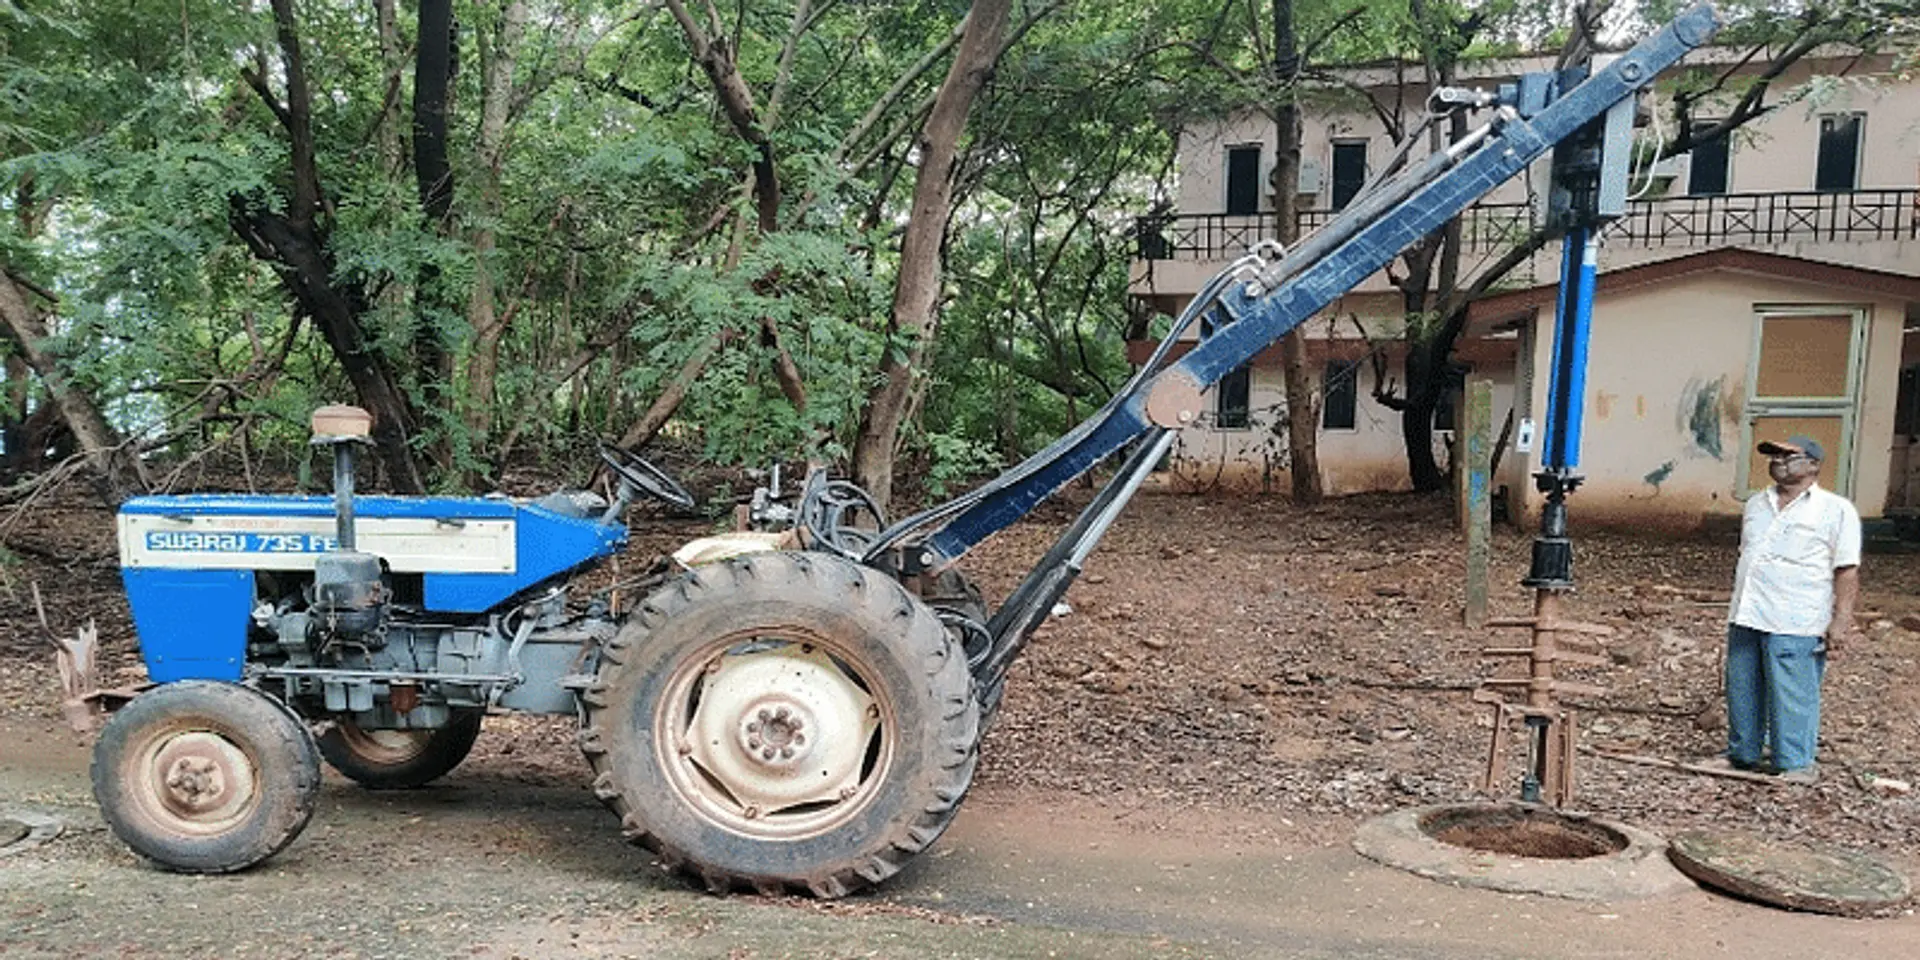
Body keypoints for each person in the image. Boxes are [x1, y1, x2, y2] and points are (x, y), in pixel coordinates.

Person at [1709, 435, 1861, 784]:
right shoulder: (1757, 504)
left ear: (1814, 465)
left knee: (1793, 692)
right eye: (1773, 455)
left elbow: (1846, 569)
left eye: (1788, 456)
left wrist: (1841, 620)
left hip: (1797, 615)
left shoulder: (1835, 510)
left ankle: (1795, 762)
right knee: (1743, 687)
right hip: (1748, 609)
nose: (1778, 461)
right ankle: (1742, 754)